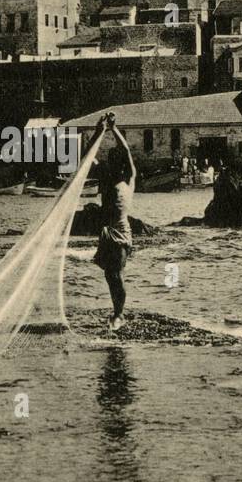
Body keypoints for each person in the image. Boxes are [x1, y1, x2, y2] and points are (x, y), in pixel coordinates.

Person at [94, 113, 136, 331]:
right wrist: (98, 132)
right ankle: (116, 312)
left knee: (117, 276)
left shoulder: (128, 180)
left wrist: (114, 128)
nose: (116, 165)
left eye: (117, 161)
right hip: (106, 232)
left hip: (120, 232)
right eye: (113, 161)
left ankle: (119, 315)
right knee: (110, 276)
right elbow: (86, 158)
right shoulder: (107, 179)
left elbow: (127, 152)